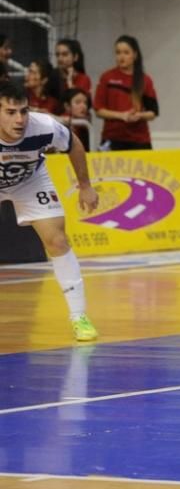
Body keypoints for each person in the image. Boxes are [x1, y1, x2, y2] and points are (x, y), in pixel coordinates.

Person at [0, 81, 99, 341]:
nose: (19, 119)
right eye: (10, 112)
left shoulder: (43, 126)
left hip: (30, 180)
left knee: (57, 240)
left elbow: (74, 144)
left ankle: (79, 317)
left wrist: (85, 186)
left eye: (23, 111)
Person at [94, 35, 158, 150]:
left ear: (135, 55)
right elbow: (99, 110)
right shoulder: (107, 77)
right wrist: (122, 116)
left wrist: (139, 116)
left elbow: (153, 112)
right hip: (112, 137)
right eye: (118, 53)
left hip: (139, 140)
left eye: (126, 53)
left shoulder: (145, 80)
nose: (121, 57)